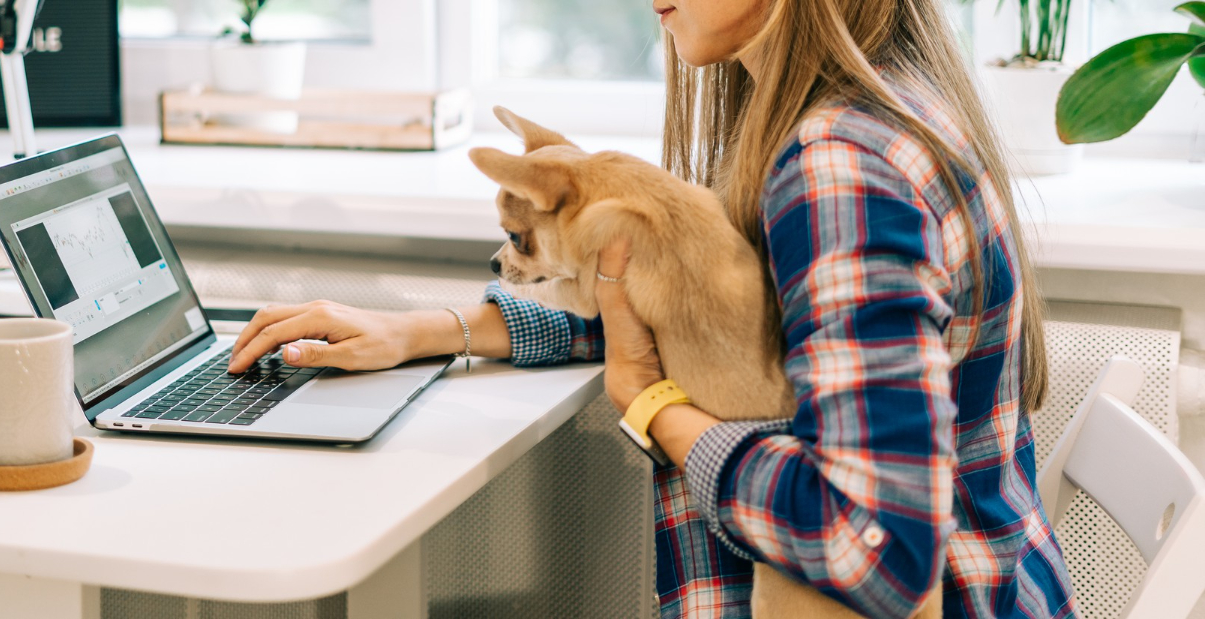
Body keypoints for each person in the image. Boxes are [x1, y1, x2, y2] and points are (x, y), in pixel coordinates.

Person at [227, 0, 1078, 616]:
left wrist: (654, 407)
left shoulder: (838, 171)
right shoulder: (850, 107)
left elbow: (877, 554)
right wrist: (428, 331)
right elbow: (704, 314)